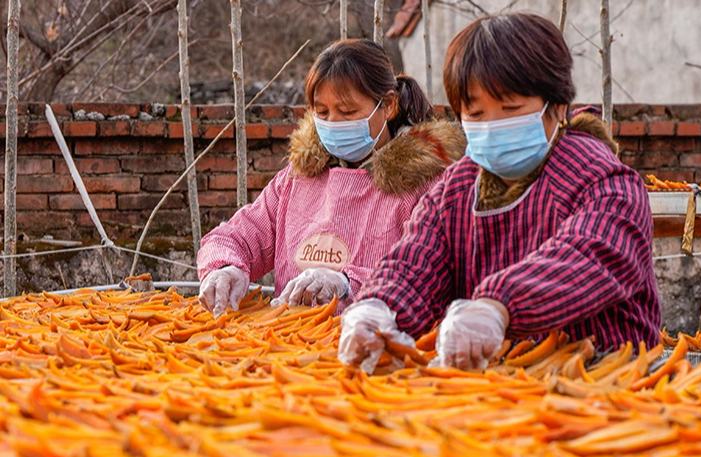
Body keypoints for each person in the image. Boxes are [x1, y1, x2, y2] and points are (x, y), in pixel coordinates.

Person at [338, 13, 661, 373]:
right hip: (498, 391)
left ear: (556, 105)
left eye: (510, 109)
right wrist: (378, 306)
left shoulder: (602, 179)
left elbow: (590, 254)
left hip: (607, 381)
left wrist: (498, 305)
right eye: (475, 114)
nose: (491, 127)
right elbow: (417, 260)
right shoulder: (456, 189)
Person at [197, 39, 465, 316]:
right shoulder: (297, 178)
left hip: (376, 344)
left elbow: (429, 274)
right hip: (285, 347)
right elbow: (238, 235)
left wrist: (347, 284)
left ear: (388, 105)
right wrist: (224, 268)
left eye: (347, 111)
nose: (334, 122)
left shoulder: (426, 185)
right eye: (322, 112)